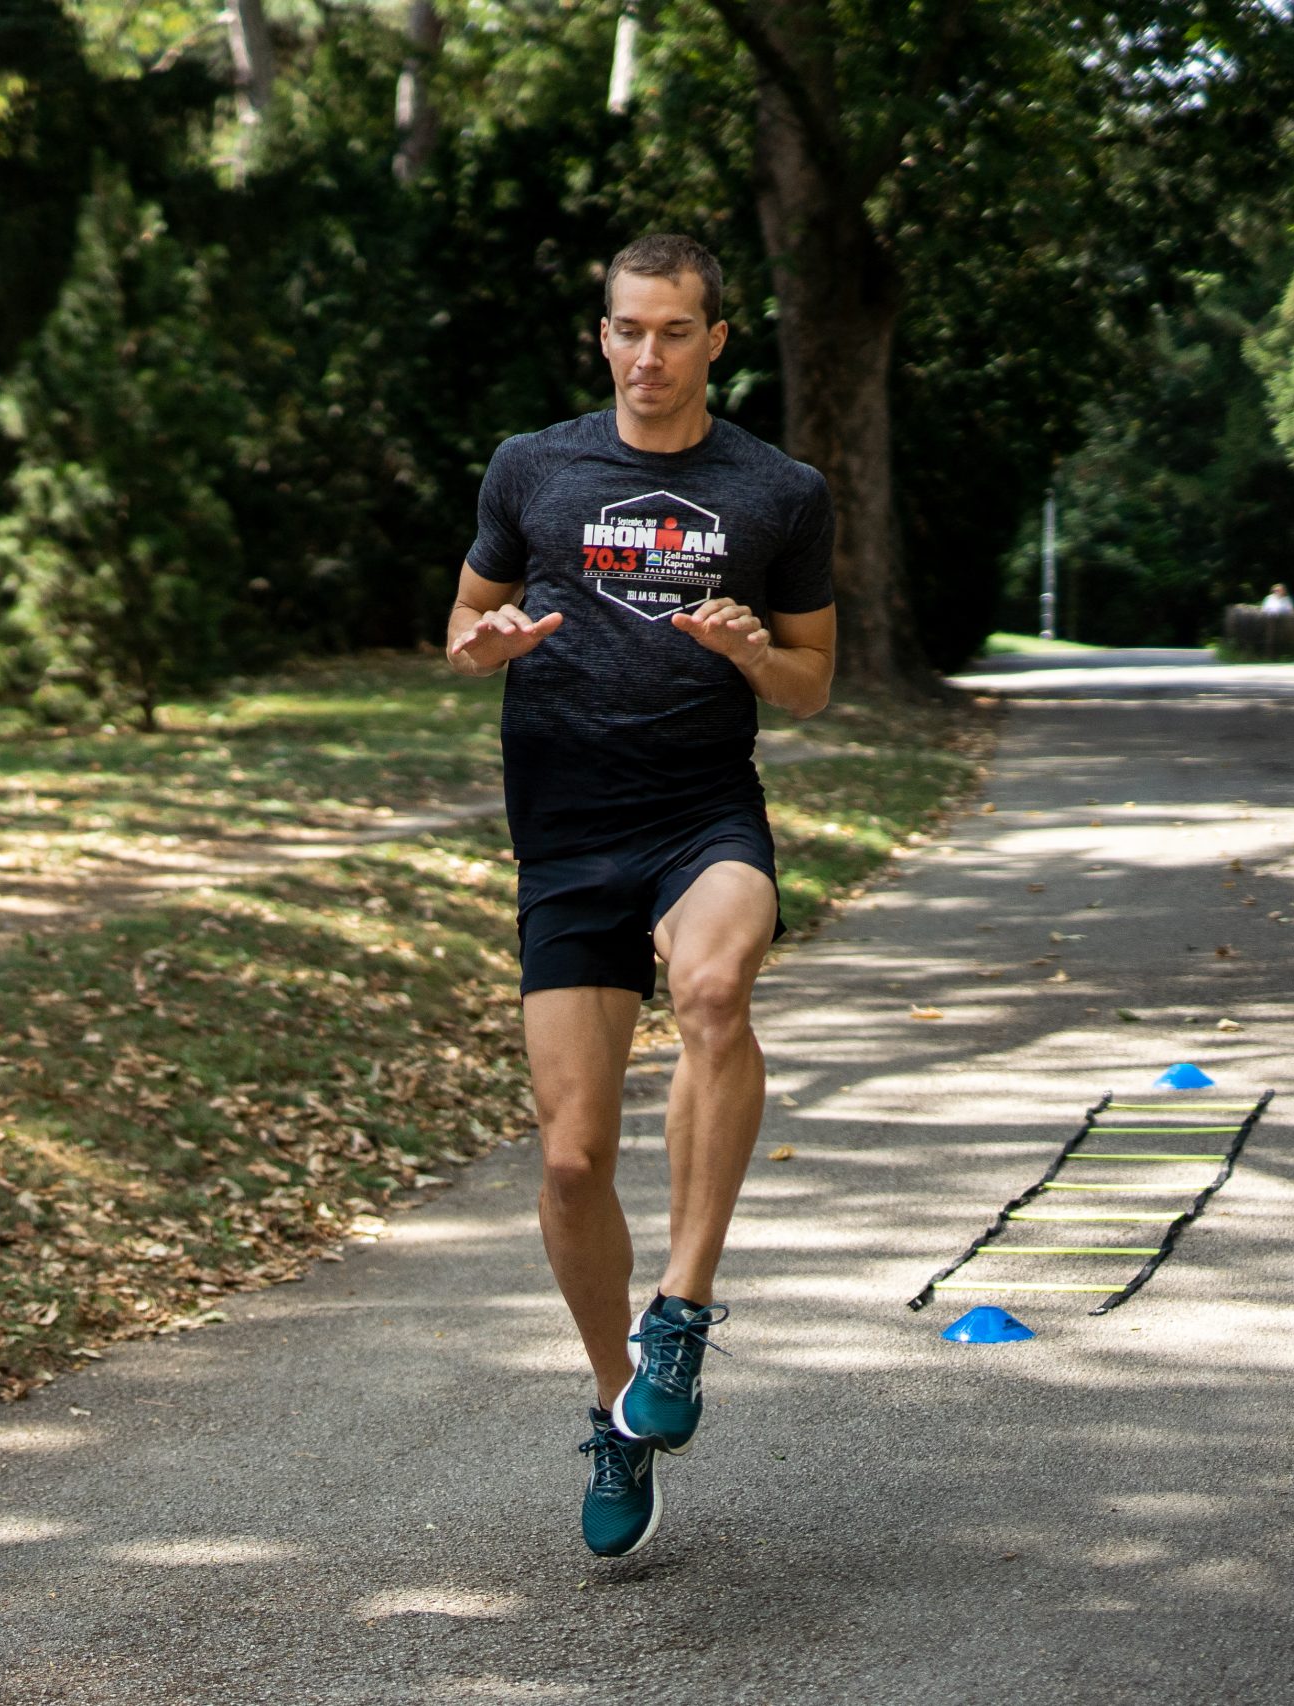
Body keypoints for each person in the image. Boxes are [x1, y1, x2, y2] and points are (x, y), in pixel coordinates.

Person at [443, 235, 836, 1558]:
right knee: (568, 1158)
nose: (648, 356)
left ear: (720, 337)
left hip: (698, 814)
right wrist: (484, 645)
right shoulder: (533, 468)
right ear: (600, 333)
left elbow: (814, 682)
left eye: (674, 331)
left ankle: (682, 1308)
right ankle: (618, 1402)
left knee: (715, 988)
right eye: (628, 330)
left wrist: (752, 649)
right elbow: (460, 627)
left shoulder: (777, 490)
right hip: (563, 832)